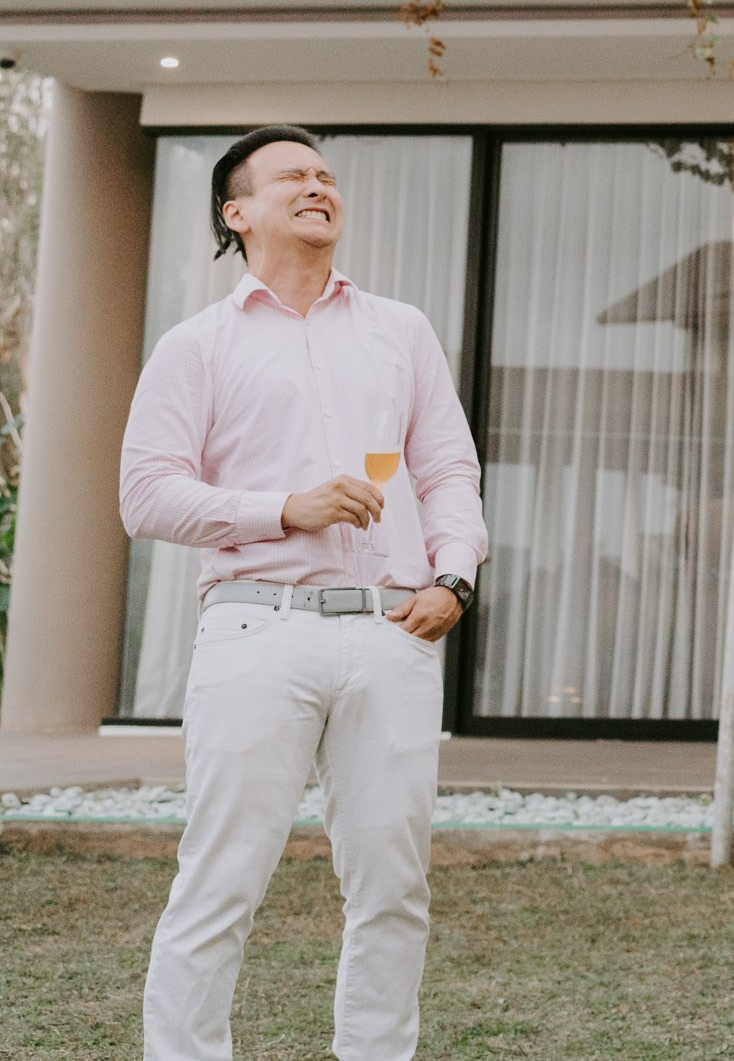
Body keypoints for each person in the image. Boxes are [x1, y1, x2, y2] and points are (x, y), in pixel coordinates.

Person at [120, 125, 486, 1061]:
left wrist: (454, 576)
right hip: (254, 627)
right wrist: (284, 507)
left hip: (392, 629)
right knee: (220, 881)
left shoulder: (400, 329)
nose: (319, 185)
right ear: (236, 211)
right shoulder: (196, 344)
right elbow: (146, 492)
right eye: (293, 175)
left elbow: (448, 468)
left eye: (326, 175)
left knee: (394, 888)